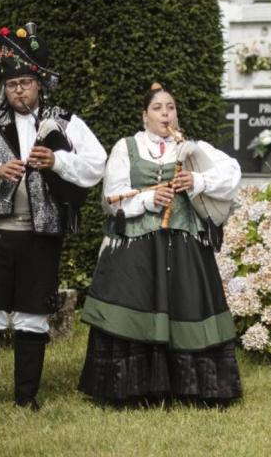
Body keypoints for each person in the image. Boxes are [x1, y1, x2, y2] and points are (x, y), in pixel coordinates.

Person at [0, 23, 107, 417]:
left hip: (41, 235)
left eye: (25, 82)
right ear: (4, 88)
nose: (18, 90)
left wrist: (58, 161)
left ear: (39, 83)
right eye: (11, 84)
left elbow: (96, 164)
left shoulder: (66, 122)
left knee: (32, 316)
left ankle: (26, 396)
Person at [78, 82, 243, 407]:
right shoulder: (126, 148)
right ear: (145, 115)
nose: (165, 113)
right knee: (137, 311)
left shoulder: (192, 148)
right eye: (158, 108)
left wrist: (198, 181)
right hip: (137, 250)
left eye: (170, 107)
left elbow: (231, 175)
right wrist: (148, 199)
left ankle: (192, 389)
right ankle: (134, 390)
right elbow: (111, 199)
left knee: (187, 308)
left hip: (184, 246)